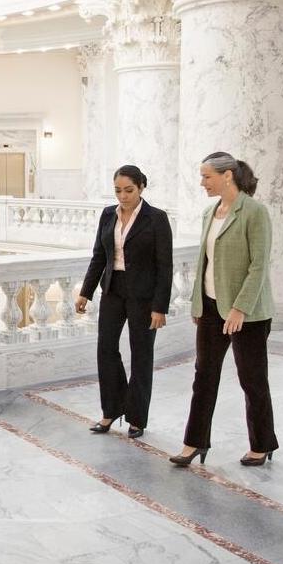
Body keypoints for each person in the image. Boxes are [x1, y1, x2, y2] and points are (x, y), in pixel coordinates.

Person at [170, 152, 279, 468]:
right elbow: (204, 262)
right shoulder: (209, 212)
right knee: (203, 377)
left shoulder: (254, 212)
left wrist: (239, 309)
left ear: (227, 175)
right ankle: (194, 442)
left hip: (248, 314)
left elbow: (259, 266)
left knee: (252, 379)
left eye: (207, 176)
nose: (202, 182)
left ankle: (262, 443)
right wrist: (197, 302)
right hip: (210, 308)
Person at [76, 165, 173, 439]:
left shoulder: (157, 218)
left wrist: (159, 307)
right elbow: (99, 256)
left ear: (141, 188)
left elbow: (165, 266)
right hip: (112, 291)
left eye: (128, 190)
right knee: (105, 349)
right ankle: (111, 409)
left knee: (141, 355)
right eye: (118, 190)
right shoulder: (108, 214)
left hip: (144, 296)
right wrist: (86, 291)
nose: (123, 196)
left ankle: (137, 417)